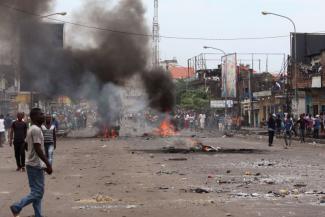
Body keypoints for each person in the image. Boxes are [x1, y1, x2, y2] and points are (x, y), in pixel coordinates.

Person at [10, 108, 53, 217]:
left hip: (32, 164)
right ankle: (17, 206)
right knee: (38, 192)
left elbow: (25, 145)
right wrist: (48, 164)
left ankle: (38, 215)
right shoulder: (36, 130)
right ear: (33, 117)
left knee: (36, 192)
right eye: (41, 114)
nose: (43, 116)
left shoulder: (33, 129)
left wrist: (29, 155)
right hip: (35, 165)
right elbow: (38, 149)